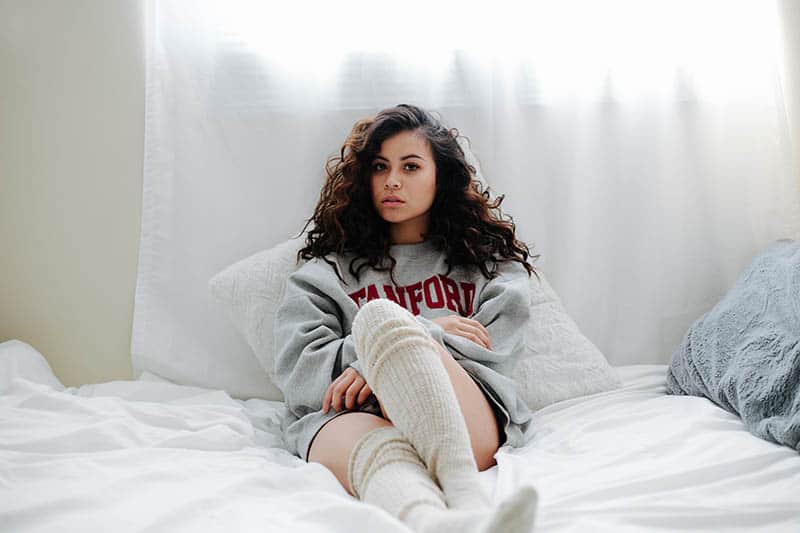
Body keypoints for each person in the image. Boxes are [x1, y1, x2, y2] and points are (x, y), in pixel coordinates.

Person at [273, 104, 540, 532]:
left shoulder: (489, 266)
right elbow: (299, 371)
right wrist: (421, 331)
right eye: (380, 167)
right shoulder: (326, 272)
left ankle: (467, 500)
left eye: (411, 166)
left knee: (379, 318)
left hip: (461, 417)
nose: (392, 181)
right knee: (380, 322)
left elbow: (496, 356)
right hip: (354, 418)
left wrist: (401, 346)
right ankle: (445, 524)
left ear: (441, 177)